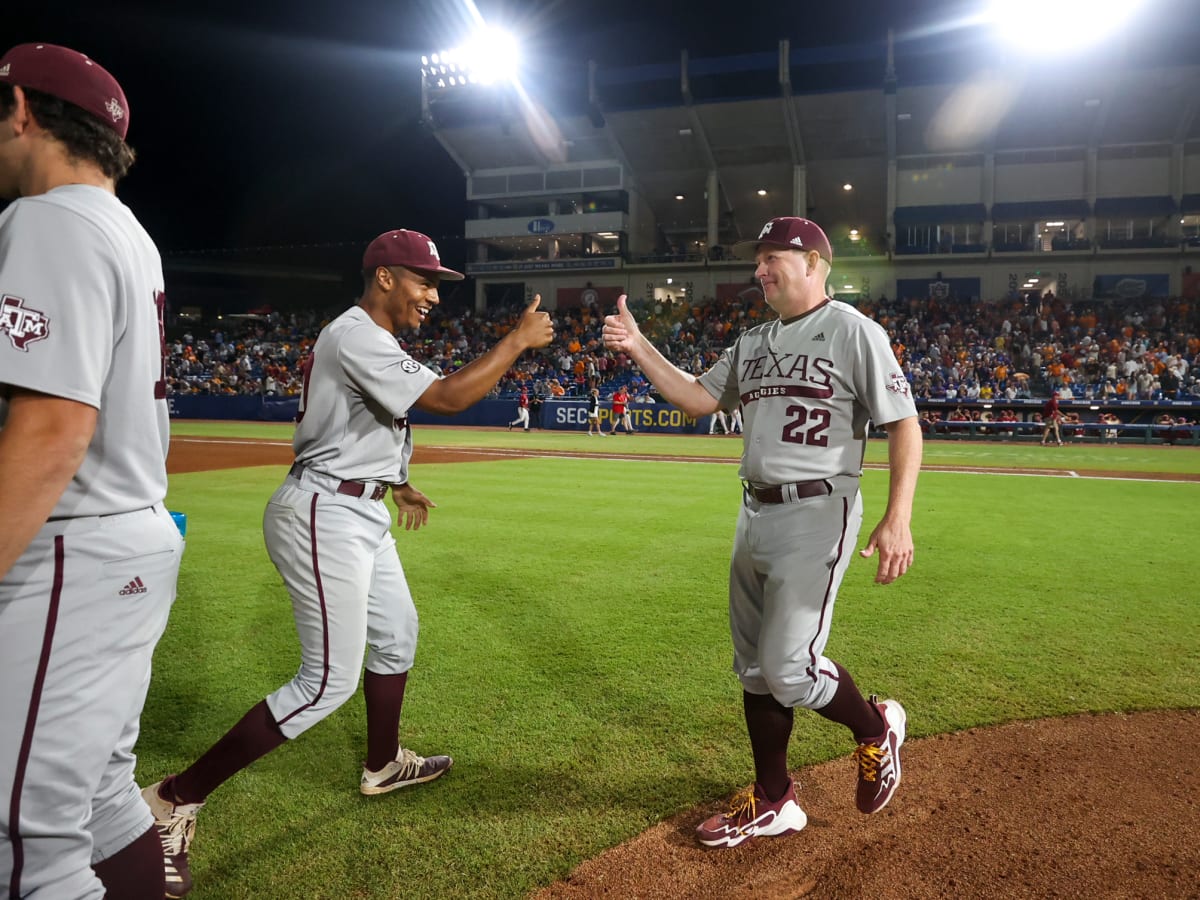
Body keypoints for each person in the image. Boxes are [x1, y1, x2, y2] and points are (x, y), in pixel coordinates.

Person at [139, 230, 553, 897]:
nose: (432, 297)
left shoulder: (374, 339)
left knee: (398, 634)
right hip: (321, 512)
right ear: (384, 277)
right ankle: (172, 798)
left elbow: (365, 428)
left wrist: (396, 481)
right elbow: (446, 398)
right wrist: (515, 339)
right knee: (326, 680)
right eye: (424, 282)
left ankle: (384, 764)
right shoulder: (356, 332)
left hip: (357, 507)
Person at [603, 216, 921, 848]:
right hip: (754, 511)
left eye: (773, 258)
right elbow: (698, 398)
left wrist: (898, 516)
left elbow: (903, 424)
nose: (760, 270)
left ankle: (874, 725)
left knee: (789, 668)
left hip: (818, 510)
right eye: (759, 261)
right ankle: (775, 800)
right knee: (753, 668)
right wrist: (639, 347)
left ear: (814, 263)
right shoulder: (752, 341)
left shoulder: (856, 332)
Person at [0, 43, 183, 899]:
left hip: (70, 550)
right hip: (127, 545)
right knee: (104, 797)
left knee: (24, 846)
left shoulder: (50, 219)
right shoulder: (128, 231)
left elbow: (52, 431)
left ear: (25, 111)